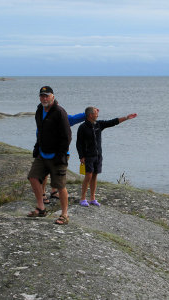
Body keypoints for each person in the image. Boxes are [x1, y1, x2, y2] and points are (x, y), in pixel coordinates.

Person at [27, 86, 72, 225]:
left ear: (53, 96)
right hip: (42, 153)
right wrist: (37, 147)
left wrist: (61, 154)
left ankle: (64, 214)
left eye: (47, 96)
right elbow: (40, 131)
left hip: (57, 155)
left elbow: (67, 136)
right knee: (33, 177)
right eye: (42, 96)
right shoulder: (39, 110)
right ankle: (41, 208)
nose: (44, 98)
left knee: (60, 185)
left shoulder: (59, 112)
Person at [76, 107, 137, 207]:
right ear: (90, 115)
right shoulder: (82, 127)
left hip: (98, 155)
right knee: (88, 176)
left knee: (95, 175)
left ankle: (92, 198)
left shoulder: (99, 125)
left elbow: (113, 122)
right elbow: (79, 143)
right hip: (88, 156)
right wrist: (81, 156)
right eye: (96, 113)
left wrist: (126, 118)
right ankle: (82, 198)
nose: (97, 115)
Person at [41, 112, 86, 204]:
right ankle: (42, 194)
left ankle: (54, 191)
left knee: (58, 173)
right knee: (45, 173)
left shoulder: (64, 118)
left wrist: (88, 113)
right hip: (48, 151)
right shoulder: (44, 119)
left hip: (63, 152)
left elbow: (75, 118)